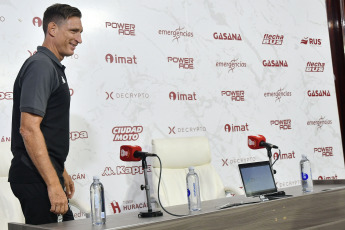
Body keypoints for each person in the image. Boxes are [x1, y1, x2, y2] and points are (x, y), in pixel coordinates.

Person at [9, 3, 83, 225]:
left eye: (80, 32)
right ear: (52, 29)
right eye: (74, 31)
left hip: (43, 175)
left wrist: (61, 172)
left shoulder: (51, 66)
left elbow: (46, 130)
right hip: (35, 178)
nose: (79, 39)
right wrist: (52, 183)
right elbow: (29, 128)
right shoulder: (41, 66)